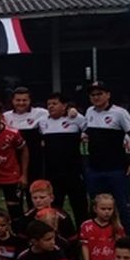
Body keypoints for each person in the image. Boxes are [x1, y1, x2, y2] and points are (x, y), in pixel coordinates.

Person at [84, 81, 130, 234]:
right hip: (95, 169)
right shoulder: (89, 112)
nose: (96, 97)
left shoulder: (119, 113)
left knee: (123, 208)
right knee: (96, 208)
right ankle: (100, 239)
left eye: (99, 94)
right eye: (93, 94)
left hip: (116, 169)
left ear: (108, 95)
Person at [39, 93, 88, 223]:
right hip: (53, 174)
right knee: (55, 208)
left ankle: (82, 232)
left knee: (80, 206)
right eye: (49, 104)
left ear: (64, 105)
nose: (51, 106)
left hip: (73, 172)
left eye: (54, 104)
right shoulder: (42, 121)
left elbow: (89, 129)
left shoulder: (76, 118)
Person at [4, 87, 48, 185]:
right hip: (13, 160)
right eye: (18, 100)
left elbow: (59, 112)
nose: (21, 103)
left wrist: (71, 110)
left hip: (35, 159)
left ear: (30, 100)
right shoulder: (6, 116)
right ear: (12, 101)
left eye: (24, 100)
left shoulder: (41, 113)